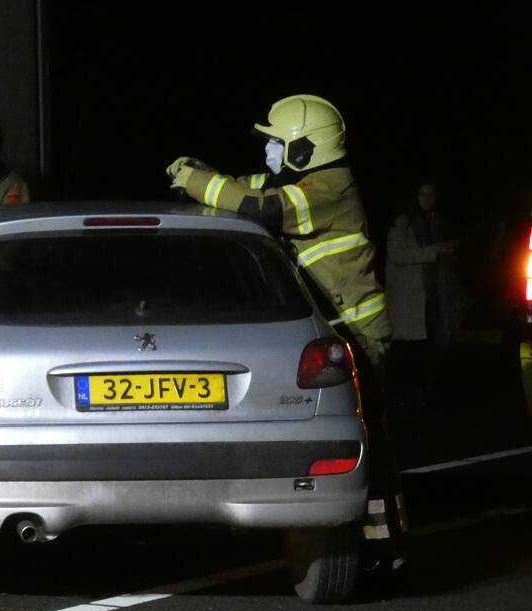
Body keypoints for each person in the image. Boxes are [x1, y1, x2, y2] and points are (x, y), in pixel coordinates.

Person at [166, 94, 407, 580]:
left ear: (303, 150)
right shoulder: (302, 181)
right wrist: (206, 177)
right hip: (335, 331)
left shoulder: (328, 187)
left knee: (370, 446)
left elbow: (259, 207)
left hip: (358, 332)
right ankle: (355, 542)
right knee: (346, 441)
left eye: (277, 145)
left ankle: (387, 550)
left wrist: (196, 180)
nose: (270, 154)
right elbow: (243, 187)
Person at [385, 181, 462, 413]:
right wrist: (436, 250)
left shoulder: (434, 221)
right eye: (423, 193)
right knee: (406, 351)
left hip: (428, 297)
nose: (429, 198)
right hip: (407, 300)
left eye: (432, 194)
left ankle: (421, 396)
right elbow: (397, 255)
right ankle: (401, 398)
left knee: (426, 351)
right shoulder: (402, 221)